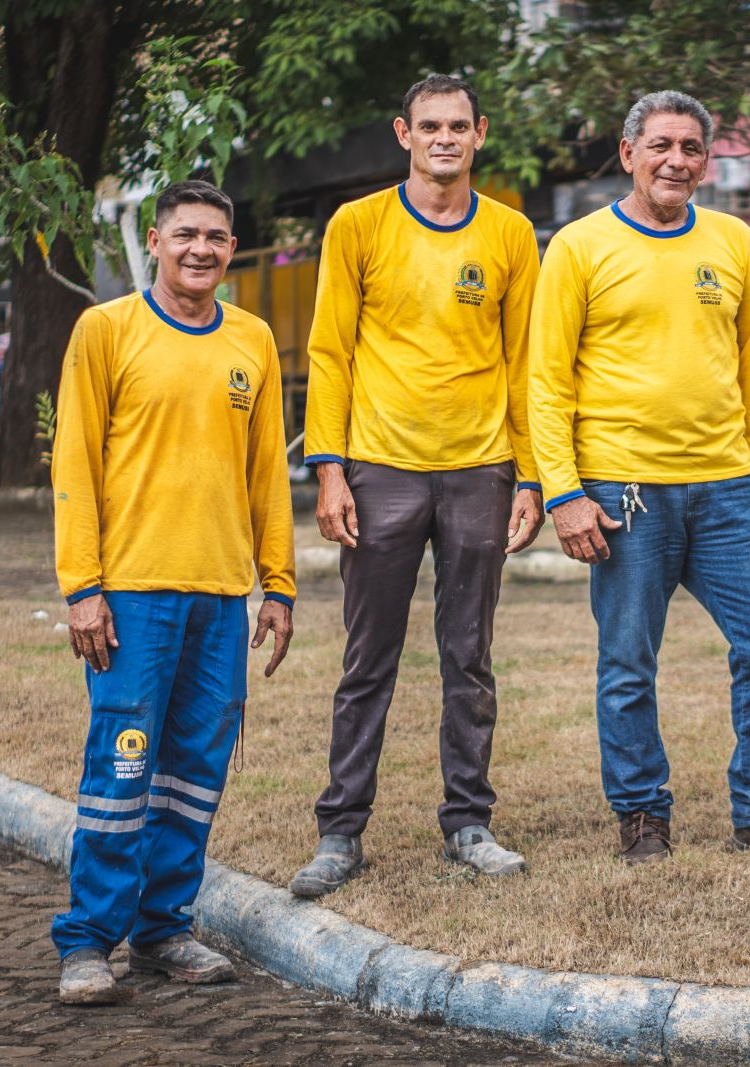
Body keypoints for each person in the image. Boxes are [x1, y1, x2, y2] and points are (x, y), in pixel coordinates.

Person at [529, 90, 750, 865]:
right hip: (624, 492)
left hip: (729, 489)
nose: (677, 161)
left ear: (707, 161)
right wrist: (564, 493)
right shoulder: (578, 246)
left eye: (692, 148)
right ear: (629, 152)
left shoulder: (733, 240)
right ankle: (642, 815)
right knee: (629, 661)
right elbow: (546, 381)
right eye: (661, 145)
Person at [289, 74, 541, 897]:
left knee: (470, 655)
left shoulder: (510, 233)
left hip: (480, 468)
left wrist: (532, 477)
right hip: (380, 467)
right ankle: (340, 831)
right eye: (429, 125)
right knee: (368, 657)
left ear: (479, 133)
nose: (444, 138)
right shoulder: (358, 224)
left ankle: (469, 822)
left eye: (457, 126)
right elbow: (330, 352)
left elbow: (525, 362)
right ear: (404, 133)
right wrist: (330, 470)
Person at [49, 179, 297, 1003]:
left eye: (216, 237)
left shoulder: (253, 339)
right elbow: (74, 462)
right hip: (129, 596)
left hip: (221, 596)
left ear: (232, 249)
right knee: (122, 765)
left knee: (194, 769)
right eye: (185, 233)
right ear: (154, 241)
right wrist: (82, 586)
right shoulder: (106, 329)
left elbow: (267, 473)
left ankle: (163, 928)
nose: (201, 249)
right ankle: (89, 940)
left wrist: (278, 584)